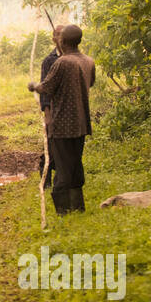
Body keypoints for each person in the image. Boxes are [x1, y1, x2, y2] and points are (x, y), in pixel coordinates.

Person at [28, 24, 95, 215]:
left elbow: (46, 88)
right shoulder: (88, 61)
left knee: (63, 169)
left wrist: (33, 85)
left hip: (62, 124)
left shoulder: (62, 62)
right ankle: (78, 207)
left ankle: (63, 211)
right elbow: (90, 83)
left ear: (63, 41)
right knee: (75, 164)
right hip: (81, 124)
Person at [37, 25, 65, 184]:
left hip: (67, 109)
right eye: (58, 35)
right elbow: (45, 88)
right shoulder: (49, 60)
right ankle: (45, 178)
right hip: (54, 109)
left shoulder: (73, 57)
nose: (61, 38)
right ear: (54, 39)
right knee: (51, 146)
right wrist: (47, 113)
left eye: (64, 34)